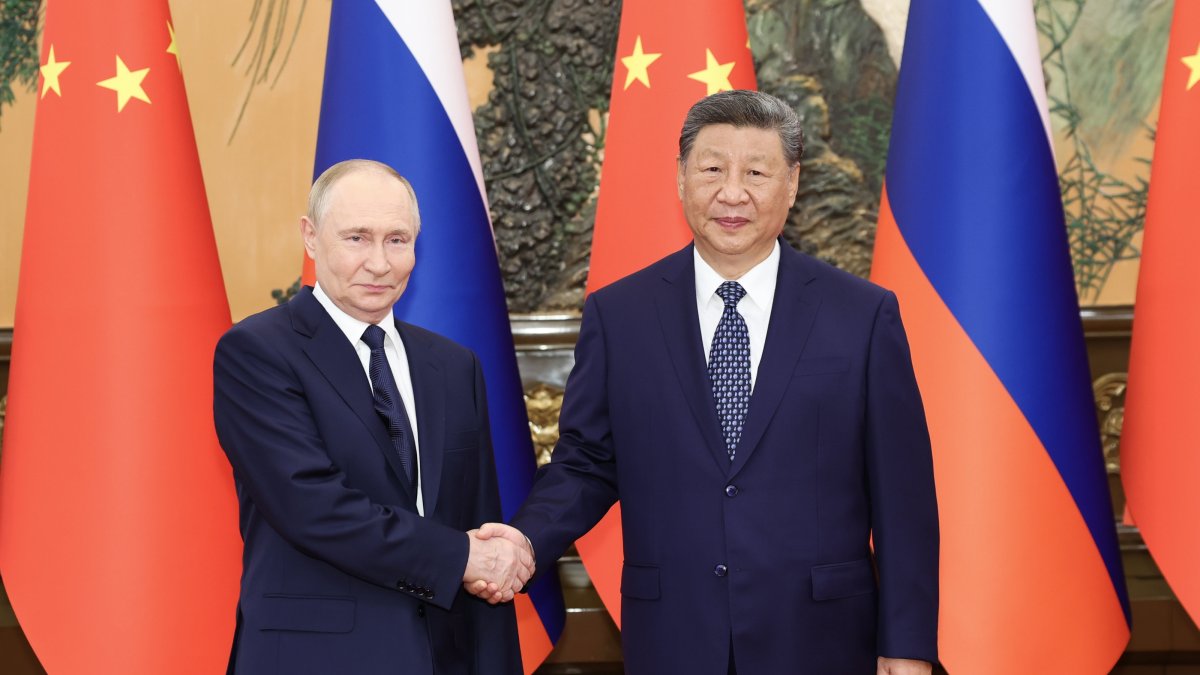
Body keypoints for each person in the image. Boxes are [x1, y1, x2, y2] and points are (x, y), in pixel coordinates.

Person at [474, 90, 939, 674]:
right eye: (713, 169)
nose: (732, 192)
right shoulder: (621, 315)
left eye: (757, 172)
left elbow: (904, 496)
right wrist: (524, 541)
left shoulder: (863, 316)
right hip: (674, 637)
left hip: (821, 638)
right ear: (680, 177)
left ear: (792, 184)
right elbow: (587, 464)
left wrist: (907, 644)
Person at [214, 159, 529, 675]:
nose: (380, 263)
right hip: (314, 659)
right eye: (357, 238)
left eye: (397, 240)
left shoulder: (453, 365)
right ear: (311, 238)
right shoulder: (257, 352)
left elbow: (477, 519)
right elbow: (312, 506)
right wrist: (460, 558)